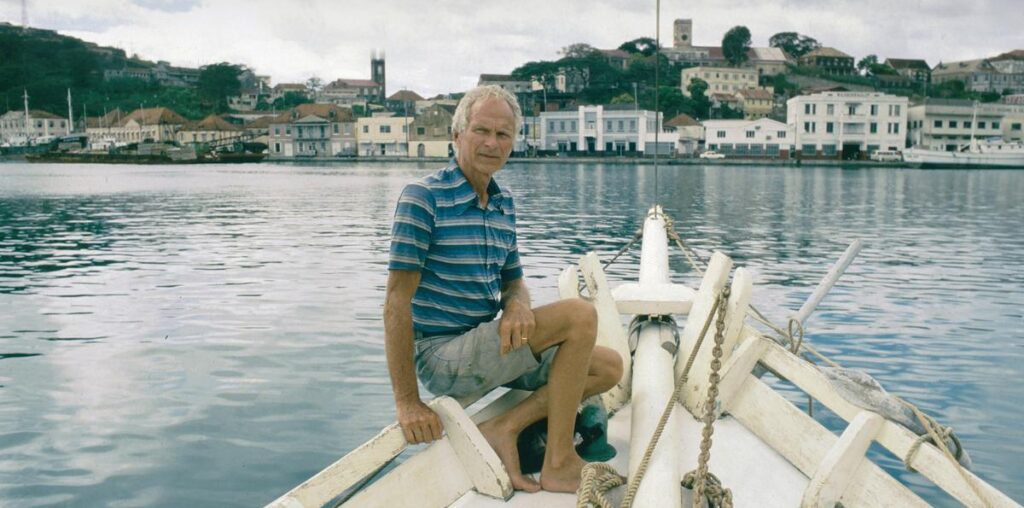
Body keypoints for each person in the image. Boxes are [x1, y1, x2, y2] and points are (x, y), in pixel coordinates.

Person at [383, 85, 623, 493]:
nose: (492, 143)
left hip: (486, 345)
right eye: (481, 131)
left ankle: (505, 426)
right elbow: (395, 303)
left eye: (503, 134)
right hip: (442, 355)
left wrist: (516, 306)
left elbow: (514, 282)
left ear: (514, 142)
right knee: (580, 315)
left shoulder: (503, 202)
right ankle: (559, 462)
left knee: (608, 366)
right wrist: (407, 401)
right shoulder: (423, 199)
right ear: (457, 136)